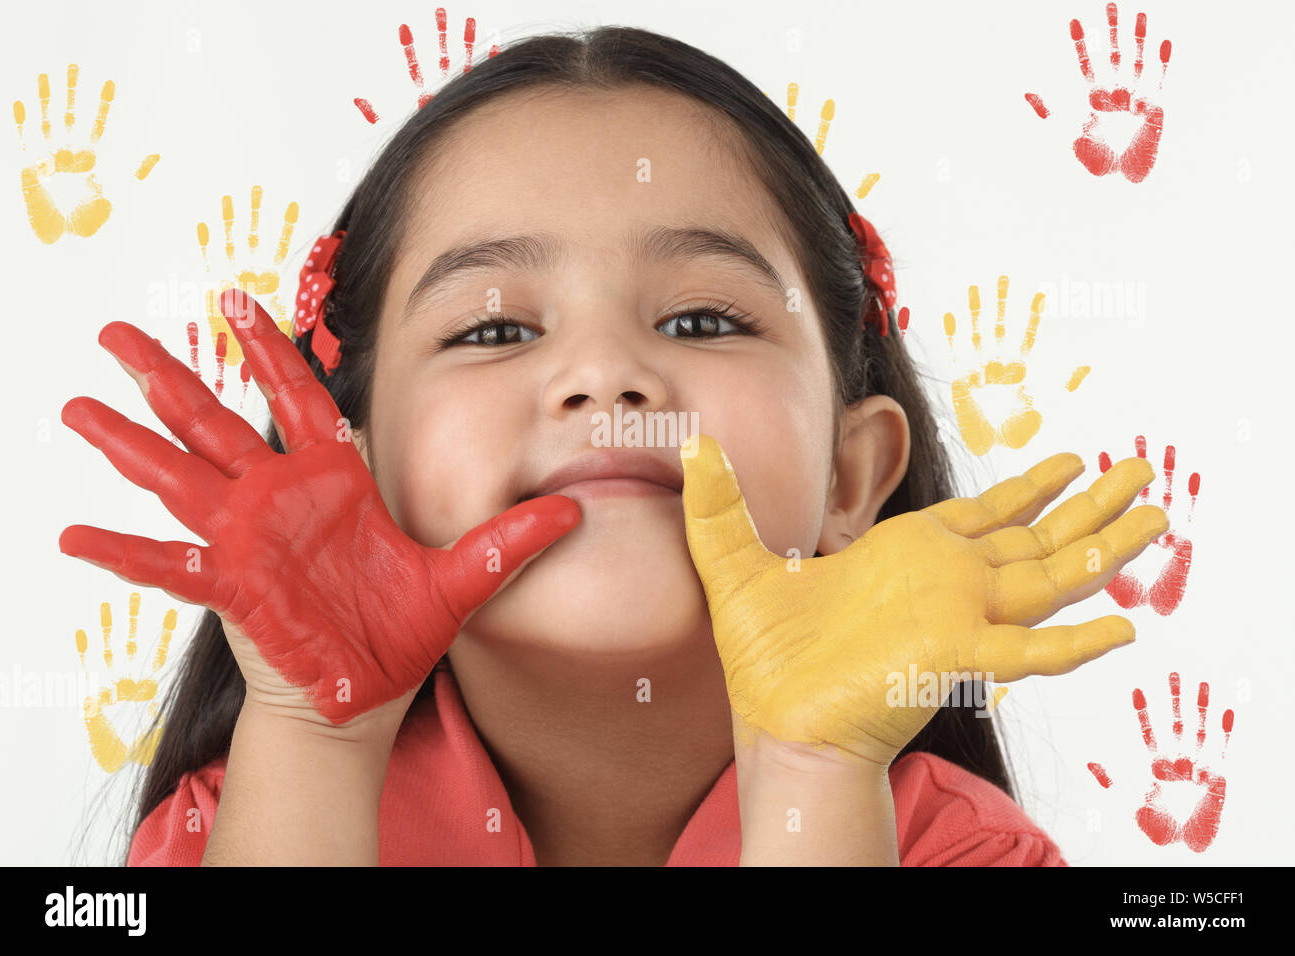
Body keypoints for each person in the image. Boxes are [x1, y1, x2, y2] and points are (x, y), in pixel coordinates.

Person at [60, 26, 1166, 866]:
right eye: (492, 328)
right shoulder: (234, 827)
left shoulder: (962, 851)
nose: (604, 375)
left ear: (851, 475)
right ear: (358, 470)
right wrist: (313, 731)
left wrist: (815, 770)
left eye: (699, 320)